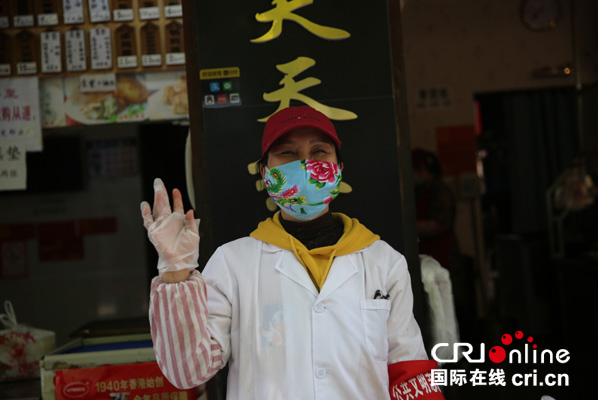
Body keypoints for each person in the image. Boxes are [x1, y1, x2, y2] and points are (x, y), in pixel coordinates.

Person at [141, 106, 443, 399]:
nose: (305, 164)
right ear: (265, 172)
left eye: (319, 151)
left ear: (339, 169)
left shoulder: (384, 262)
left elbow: (408, 371)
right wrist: (174, 271)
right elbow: (188, 373)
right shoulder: (232, 263)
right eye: (287, 153)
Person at [412, 148, 457, 270]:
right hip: (426, 255)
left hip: (442, 254)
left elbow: (441, 223)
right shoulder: (419, 190)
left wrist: (409, 228)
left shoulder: (440, 190)